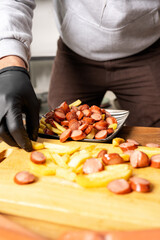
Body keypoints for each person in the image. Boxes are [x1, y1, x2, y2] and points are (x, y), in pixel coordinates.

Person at [0, 1, 160, 151]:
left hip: (147, 49)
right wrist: (10, 66)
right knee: (53, 136)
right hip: (75, 52)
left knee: (154, 135)